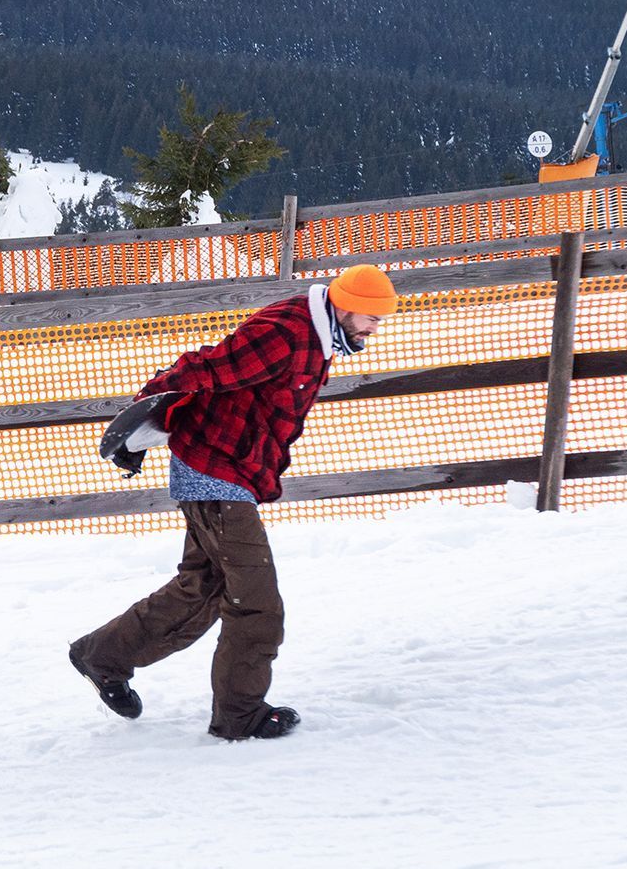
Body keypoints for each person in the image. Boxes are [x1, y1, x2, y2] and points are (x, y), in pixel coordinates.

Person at [68, 264, 397, 741]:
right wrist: (136, 425)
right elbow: (204, 367)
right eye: (371, 318)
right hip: (214, 474)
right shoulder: (287, 333)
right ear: (345, 305)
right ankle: (239, 716)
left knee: (200, 589)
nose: (374, 328)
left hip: (228, 471)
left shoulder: (320, 336)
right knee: (256, 603)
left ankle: (103, 657)